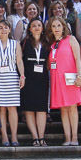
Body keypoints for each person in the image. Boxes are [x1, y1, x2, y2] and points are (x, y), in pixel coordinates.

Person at [48, 15, 81, 145]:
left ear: (63, 27)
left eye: (59, 25)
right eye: (54, 26)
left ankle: (75, 137)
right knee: (63, 109)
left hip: (70, 79)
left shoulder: (71, 39)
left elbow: (78, 59)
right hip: (57, 80)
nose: (56, 28)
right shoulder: (52, 44)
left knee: (72, 108)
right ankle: (67, 138)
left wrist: (79, 76)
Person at [0, 20, 25, 146]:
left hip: (12, 76)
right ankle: (4, 136)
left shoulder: (15, 44)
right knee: (2, 108)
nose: (3, 30)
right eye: (1, 28)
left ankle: (14, 136)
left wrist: (22, 76)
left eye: (6, 27)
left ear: (10, 29)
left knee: (12, 107)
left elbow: (19, 61)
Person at [20, 18, 49, 147]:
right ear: (30, 29)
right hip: (28, 79)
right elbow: (20, 60)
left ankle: (41, 137)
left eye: (39, 25)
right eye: (34, 26)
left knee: (41, 109)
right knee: (29, 109)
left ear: (42, 28)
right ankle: (35, 137)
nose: (36, 27)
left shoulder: (47, 43)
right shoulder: (25, 42)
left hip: (42, 80)